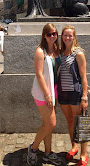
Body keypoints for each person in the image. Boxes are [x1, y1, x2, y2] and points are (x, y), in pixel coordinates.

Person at [27, 23, 62, 166]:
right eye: (49, 34)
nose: (52, 36)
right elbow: (39, 74)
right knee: (51, 123)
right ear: (44, 36)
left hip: (54, 89)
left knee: (48, 124)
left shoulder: (56, 50)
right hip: (42, 92)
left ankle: (48, 153)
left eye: (54, 34)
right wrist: (47, 95)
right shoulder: (40, 51)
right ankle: (33, 148)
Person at [57, 25, 89, 166]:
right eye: (65, 35)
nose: (67, 38)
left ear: (74, 37)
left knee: (80, 124)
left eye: (70, 35)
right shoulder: (60, 52)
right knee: (70, 122)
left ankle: (83, 154)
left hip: (75, 92)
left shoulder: (78, 53)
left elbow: (83, 77)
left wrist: (84, 96)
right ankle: (74, 146)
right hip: (63, 93)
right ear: (62, 37)